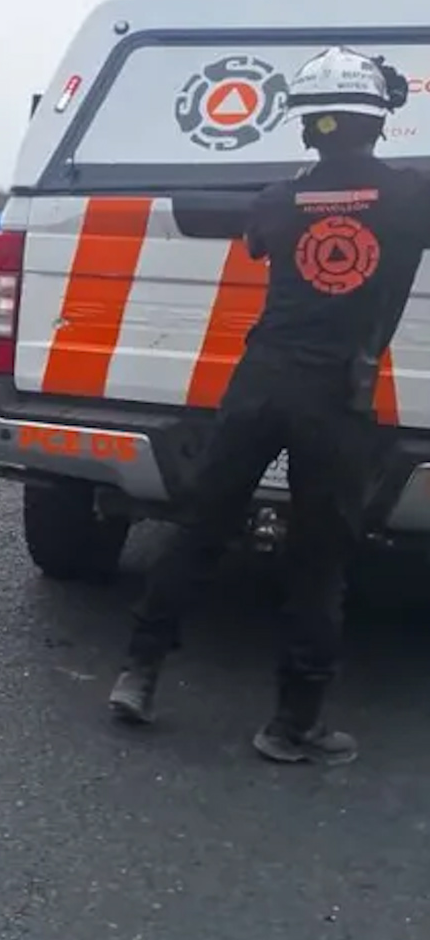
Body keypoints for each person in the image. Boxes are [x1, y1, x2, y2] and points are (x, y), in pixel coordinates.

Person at [106, 45, 428, 765]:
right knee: (319, 558)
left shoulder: (279, 202)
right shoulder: (410, 197)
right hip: (336, 396)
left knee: (199, 527)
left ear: (306, 122)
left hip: (258, 381)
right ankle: (293, 724)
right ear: (377, 121)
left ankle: (140, 672)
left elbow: (265, 233)